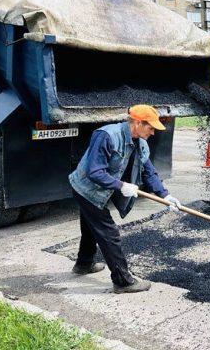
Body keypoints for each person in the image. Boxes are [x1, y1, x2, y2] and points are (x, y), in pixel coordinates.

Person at [68, 104, 183, 294]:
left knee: (90, 227)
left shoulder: (141, 143)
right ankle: (122, 281)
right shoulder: (107, 135)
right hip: (85, 189)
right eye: (151, 127)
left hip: (100, 190)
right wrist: (121, 186)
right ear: (137, 122)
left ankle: (83, 264)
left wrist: (165, 195)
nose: (153, 132)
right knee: (108, 233)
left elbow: (149, 172)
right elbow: (94, 171)